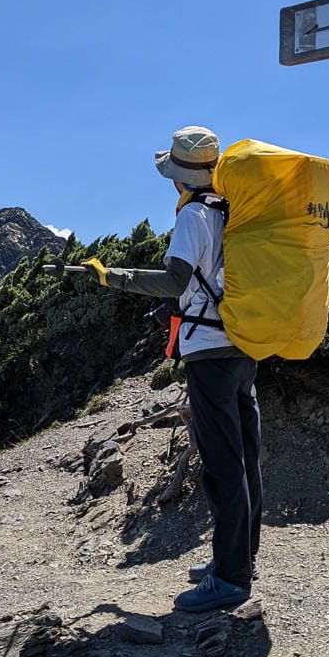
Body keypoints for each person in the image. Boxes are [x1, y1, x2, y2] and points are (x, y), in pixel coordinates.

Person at [85, 125, 262, 613]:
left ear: (180, 178)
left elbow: (175, 278)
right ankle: (240, 559)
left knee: (222, 464)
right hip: (244, 343)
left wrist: (112, 277)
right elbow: (211, 280)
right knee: (245, 457)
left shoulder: (194, 216)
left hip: (208, 351)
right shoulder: (233, 209)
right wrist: (180, 304)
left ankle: (229, 578)